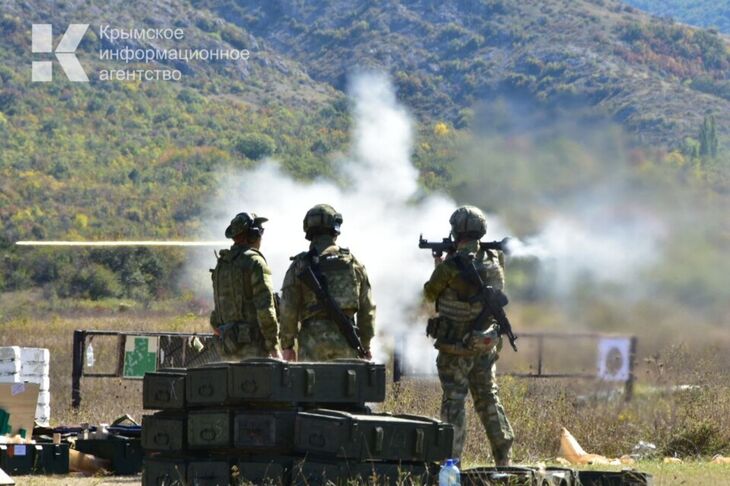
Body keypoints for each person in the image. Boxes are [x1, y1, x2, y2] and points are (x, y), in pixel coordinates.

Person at [423, 205, 514, 465]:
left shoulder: (451, 266)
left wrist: (440, 264)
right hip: (485, 344)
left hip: (455, 348)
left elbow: (430, 294)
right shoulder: (495, 258)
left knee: (454, 402)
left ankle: (451, 464)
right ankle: (504, 460)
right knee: (489, 399)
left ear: (456, 231)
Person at [279, 204, 375, 361]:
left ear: (308, 230)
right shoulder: (354, 264)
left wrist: (287, 346)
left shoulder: (299, 265)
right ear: (335, 228)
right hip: (347, 343)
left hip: (312, 345)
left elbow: (288, 309)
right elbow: (367, 310)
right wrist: (366, 345)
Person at [210, 212, 280, 360]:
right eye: (260, 232)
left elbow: (216, 316)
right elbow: (265, 309)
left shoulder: (222, 265)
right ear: (253, 235)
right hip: (254, 350)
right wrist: (274, 346)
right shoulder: (255, 262)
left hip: (228, 349)